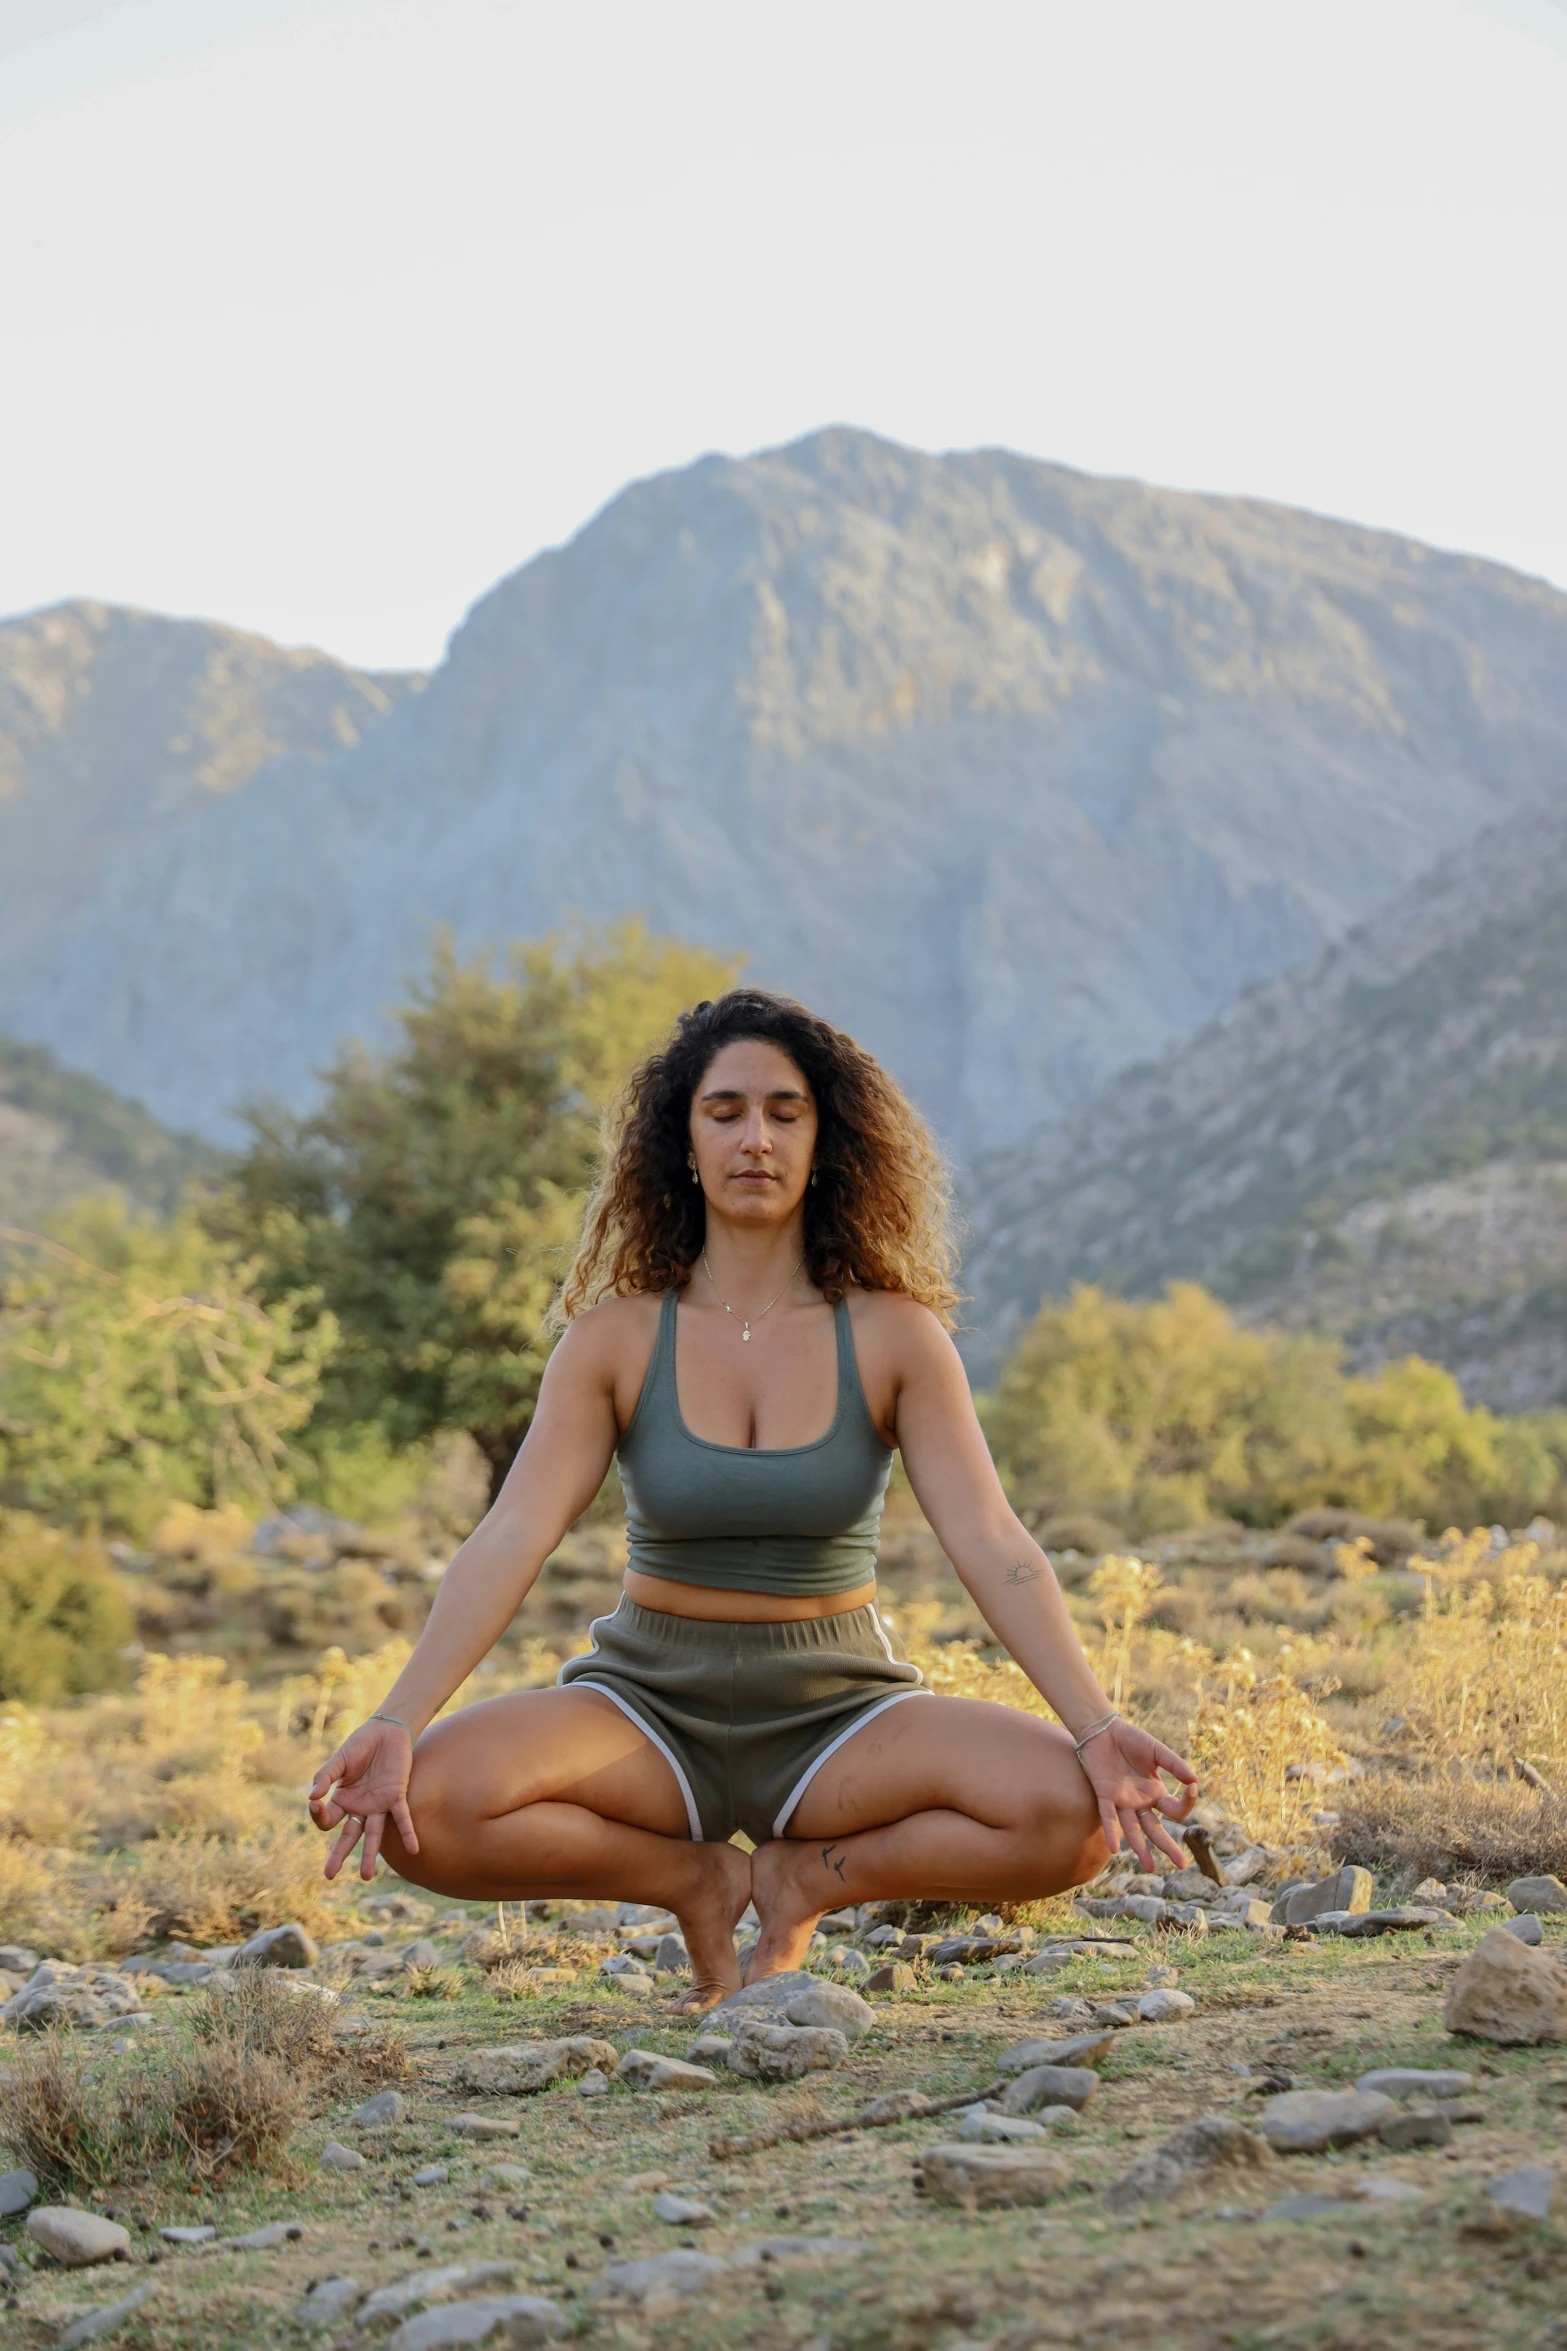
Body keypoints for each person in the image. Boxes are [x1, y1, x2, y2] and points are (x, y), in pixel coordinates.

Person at [308, 989, 1197, 2010]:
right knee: (426, 1805)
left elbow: (993, 1539)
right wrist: (396, 1715)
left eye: (785, 1110)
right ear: (682, 1140)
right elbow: (510, 1534)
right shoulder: (615, 1339)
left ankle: (795, 1883)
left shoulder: (898, 1337)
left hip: (836, 1710)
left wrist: (1093, 1725)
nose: (755, 1137)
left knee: (1070, 1820)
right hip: (646, 1704)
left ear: (828, 1138)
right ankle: (696, 1880)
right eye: (723, 1110)